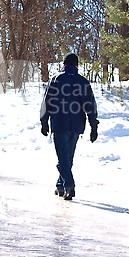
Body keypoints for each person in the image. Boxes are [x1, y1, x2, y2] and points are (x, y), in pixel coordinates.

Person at [40, 53, 99, 200]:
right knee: (68, 158)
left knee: (63, 159)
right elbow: (90, 105)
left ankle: (69, 185)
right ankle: (60, 185)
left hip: (59, 123)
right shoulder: (83, 82)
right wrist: (94, 126)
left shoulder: (56, 79)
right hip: (77, 125)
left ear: (64, 65)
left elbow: (47, 102)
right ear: (77, 66)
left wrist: (44, 121)